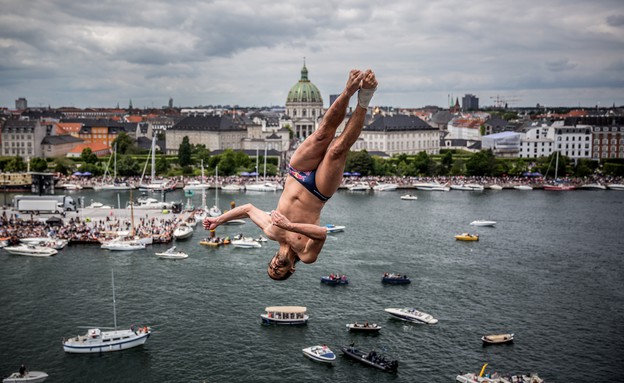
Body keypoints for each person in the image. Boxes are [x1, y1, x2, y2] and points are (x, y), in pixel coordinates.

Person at [203, 69, 378, 280]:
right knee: (337, 149)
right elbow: (321, 234)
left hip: (297, 174)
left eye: (271, 268)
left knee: (323, 133)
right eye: (279, 272)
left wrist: (218, 220)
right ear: (291, 270)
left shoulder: (271, 231)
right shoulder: (306, 255)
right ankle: (365, 97)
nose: (276, 267)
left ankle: (348, 91)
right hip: (317, 190)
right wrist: (290, 226)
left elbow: (247, 209)